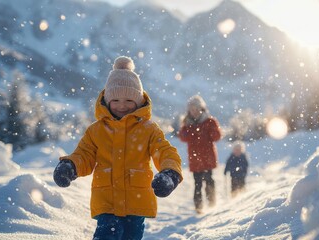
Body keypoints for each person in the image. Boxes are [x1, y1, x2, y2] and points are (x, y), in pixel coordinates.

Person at [53, 56, 183, 240]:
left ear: (138, 101)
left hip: (136, 202)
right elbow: (85, 155)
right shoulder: (96, 130)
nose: (122, 105)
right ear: (107, 100)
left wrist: (170, 173)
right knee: (107, 235)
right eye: (116, 100)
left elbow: (165, 151)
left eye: (129, 100)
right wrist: (71, 165)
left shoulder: (148, 130)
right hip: (107, 201)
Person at [178, 95, 222, 213]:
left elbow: (217, 136)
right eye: (192, 109)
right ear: (189, 111)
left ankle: (212, 204)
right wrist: (187, 128)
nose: (194, 111)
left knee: (209, 180)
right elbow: (182, 137)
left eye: (196, 108)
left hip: (207, 158)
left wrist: (210, 131)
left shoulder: (210, 121)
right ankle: (198, 208)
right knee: (197, 184)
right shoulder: (187, 124)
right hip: (195, 159)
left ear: (201, 108)